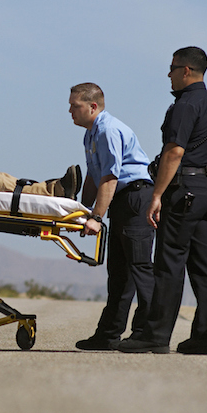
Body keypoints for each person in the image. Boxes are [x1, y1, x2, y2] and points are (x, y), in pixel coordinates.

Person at [117, 46, 207, 355]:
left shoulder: (185, 104)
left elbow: (174, 151)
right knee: (206, 269)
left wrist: (157, 195)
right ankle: (203, 338)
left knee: (169, 264)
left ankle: (155, 335)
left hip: (183, 193)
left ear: (187, 71)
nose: (169, 74)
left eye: (173, 68)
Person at [68, 83, 156, 351]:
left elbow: (110, 177)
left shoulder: (107, 130)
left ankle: (149, 334)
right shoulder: (90, 135)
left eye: (75, 106)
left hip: (135, 199)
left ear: (92, 107)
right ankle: (108, 334)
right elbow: (94, 178)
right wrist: (81, 214)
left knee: (140, 268)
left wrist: (96, 216)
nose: (70, 111)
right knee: (118, 273)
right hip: (119, 200)